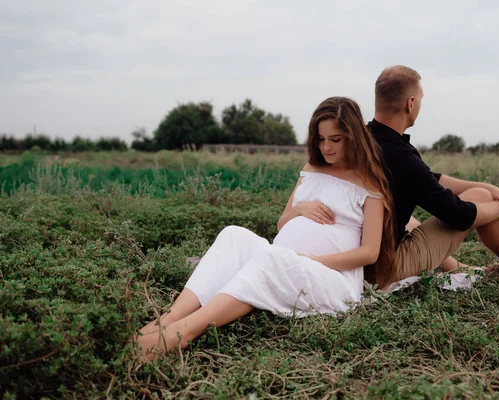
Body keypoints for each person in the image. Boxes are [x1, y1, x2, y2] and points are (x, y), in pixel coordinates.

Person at [135, 97, 397, 361]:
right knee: (233, 234)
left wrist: (311, 260)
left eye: (335, 139)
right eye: (321, 139)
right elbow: (282, 223)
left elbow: (369, 253)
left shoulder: (369, 182)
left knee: (275, 258)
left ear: (353, 137)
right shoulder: (311, 168)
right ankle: (167, 320)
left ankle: (182, 333)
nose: (326, 147)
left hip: (332, 280)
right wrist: (301, 209)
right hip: (281, 259)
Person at [368, 65, 499, 279]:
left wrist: (488, 186)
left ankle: (464, 269)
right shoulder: (401, 155)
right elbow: (458, 216)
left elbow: (428, 179)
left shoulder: (361, 140)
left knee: (412, 220)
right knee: (479, 198)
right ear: (411, 103)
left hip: (363, 258)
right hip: (385, 269)